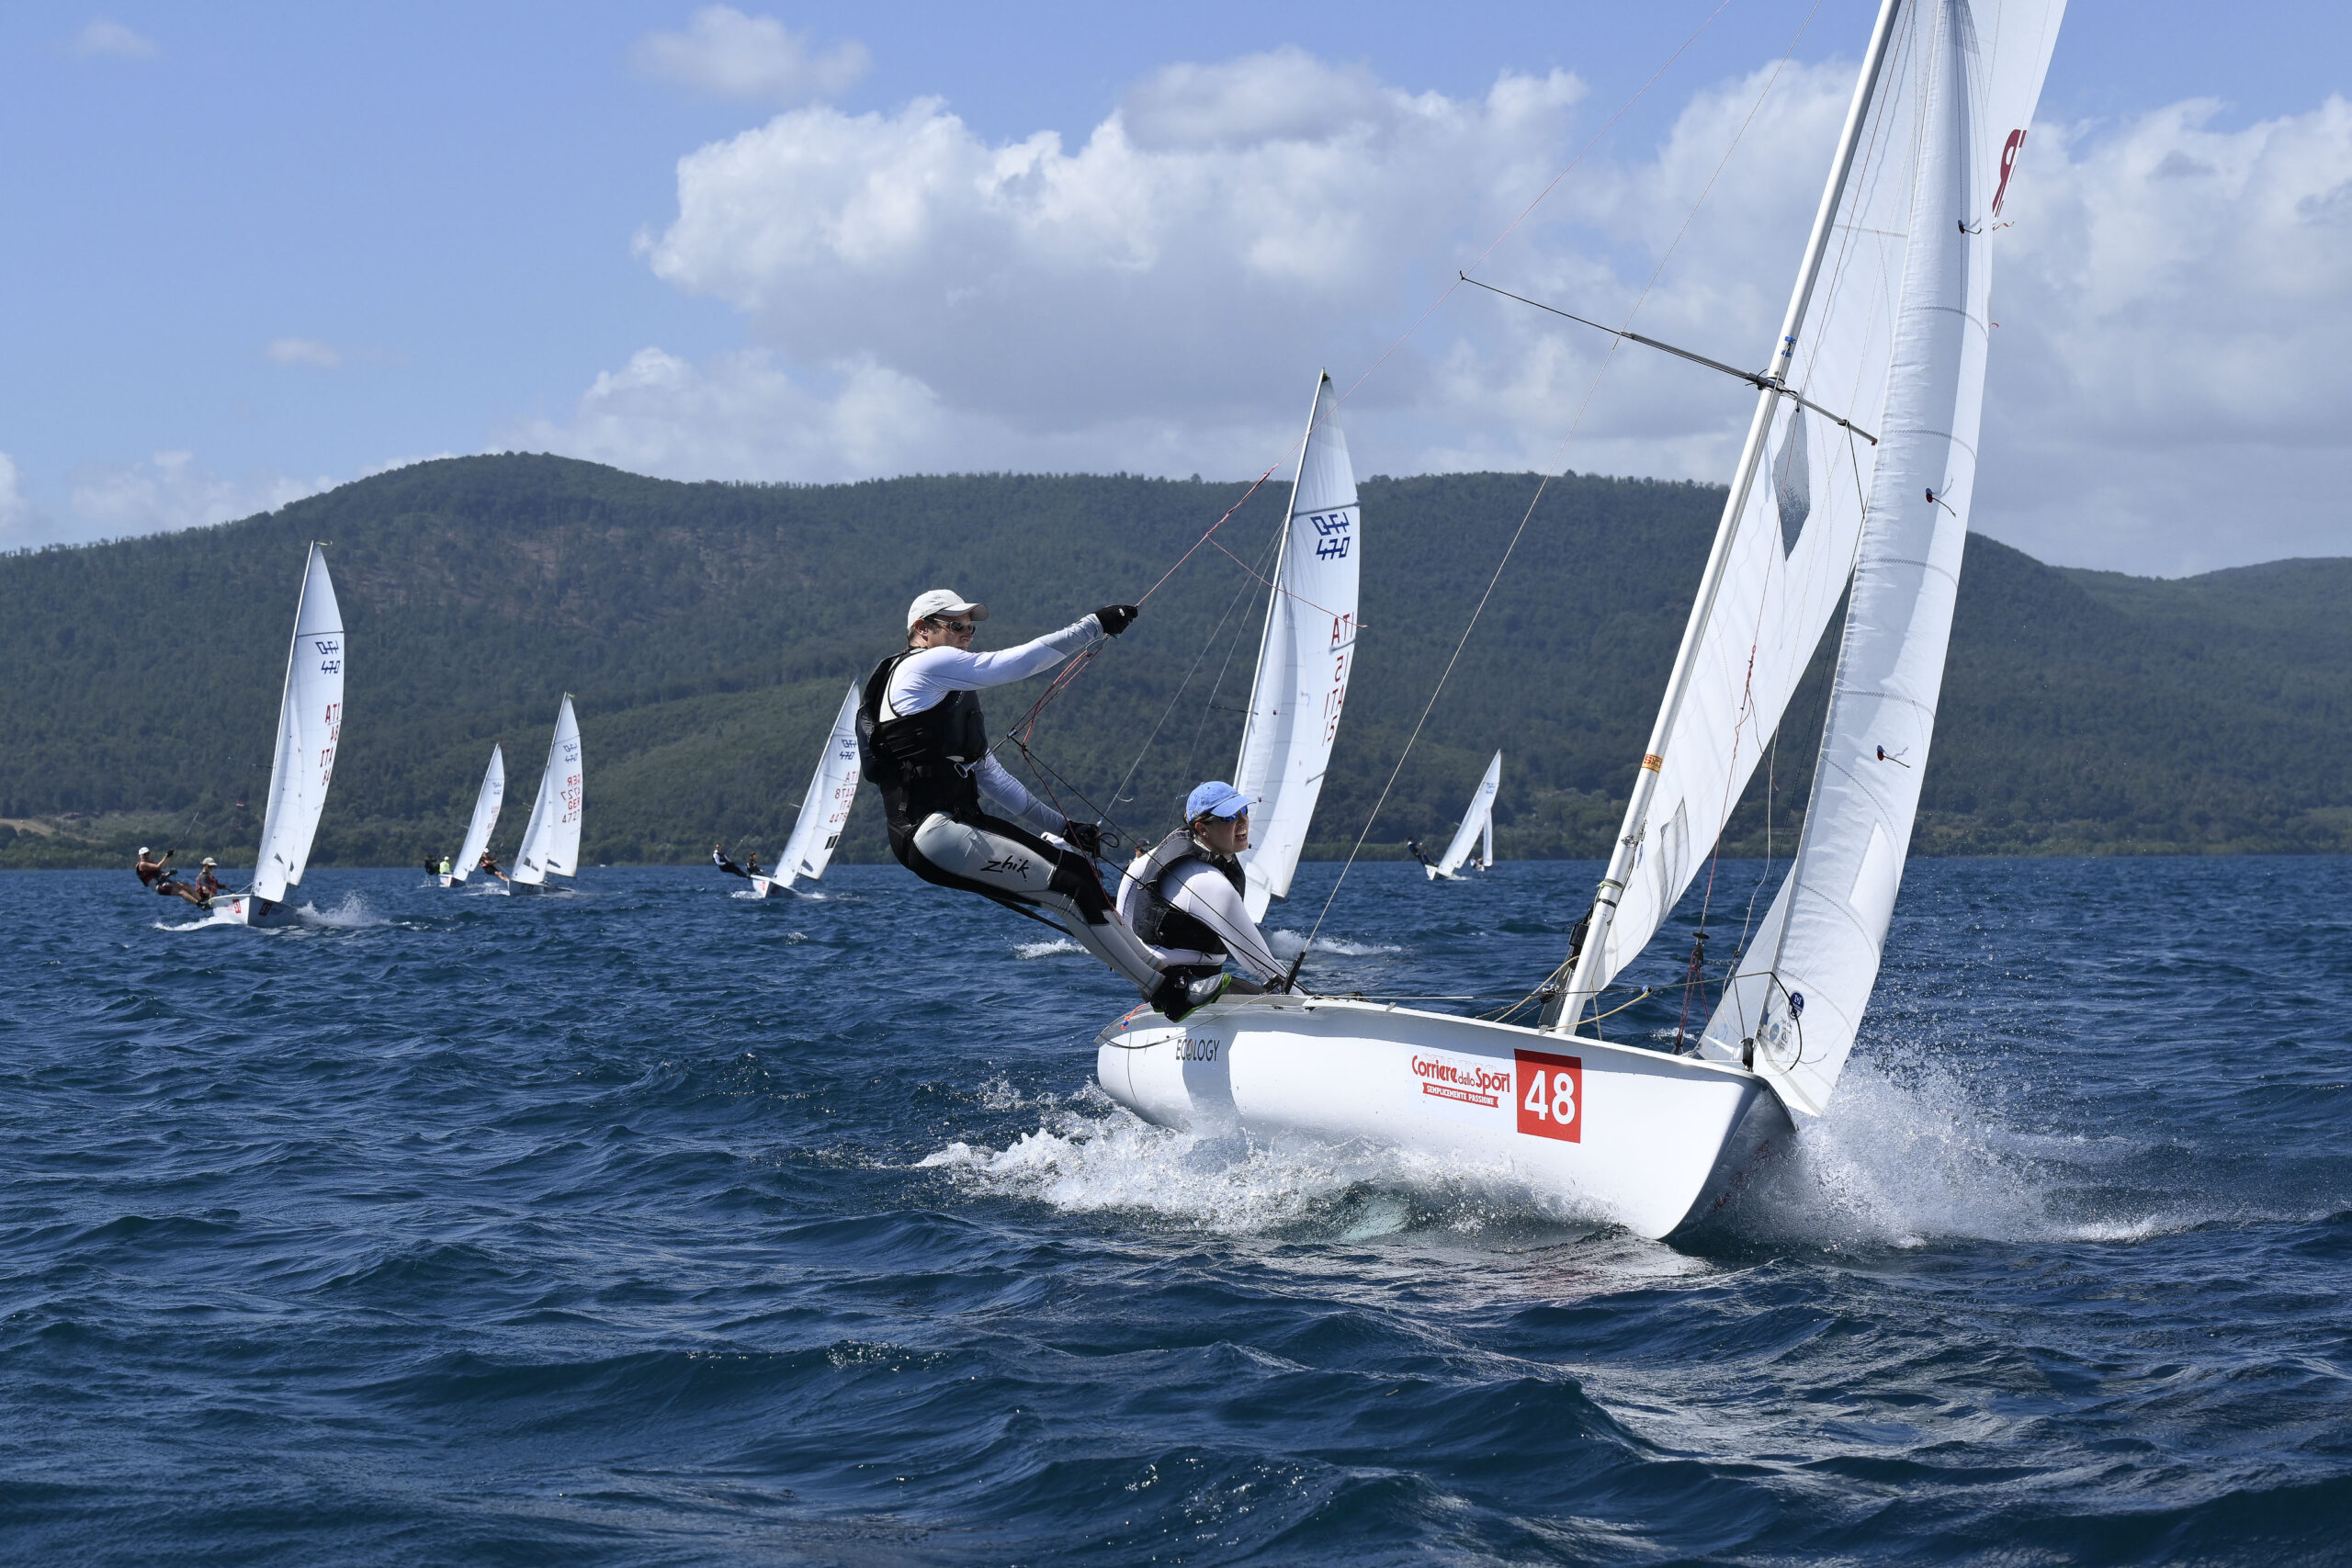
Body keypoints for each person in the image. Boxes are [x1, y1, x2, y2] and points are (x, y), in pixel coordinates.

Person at [859, 587, 1215, 1019]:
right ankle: (1167, 993)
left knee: (1078, 877)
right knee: (1071, 885)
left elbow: (992, 776)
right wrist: (1094, 626)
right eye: (955, 626)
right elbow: (1014, 663)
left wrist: (1063, 827)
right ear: (922, 630)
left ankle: (1160, 972)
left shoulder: (947, 691)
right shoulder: (924, 665)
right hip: (931, 830)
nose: (967, 634)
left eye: (970, 628)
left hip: (950, 827)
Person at [1118, 782, 1283, 1008]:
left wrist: (1134, 960)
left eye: (1243, 810)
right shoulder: (1209, 883)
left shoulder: (1173, 846)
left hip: (1157, 984)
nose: (1243, 820)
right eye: (1229, 817)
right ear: (1202, 828)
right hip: (1182, 990)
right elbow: (1265, 969)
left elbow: (1132, 876)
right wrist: (1305, 1003)